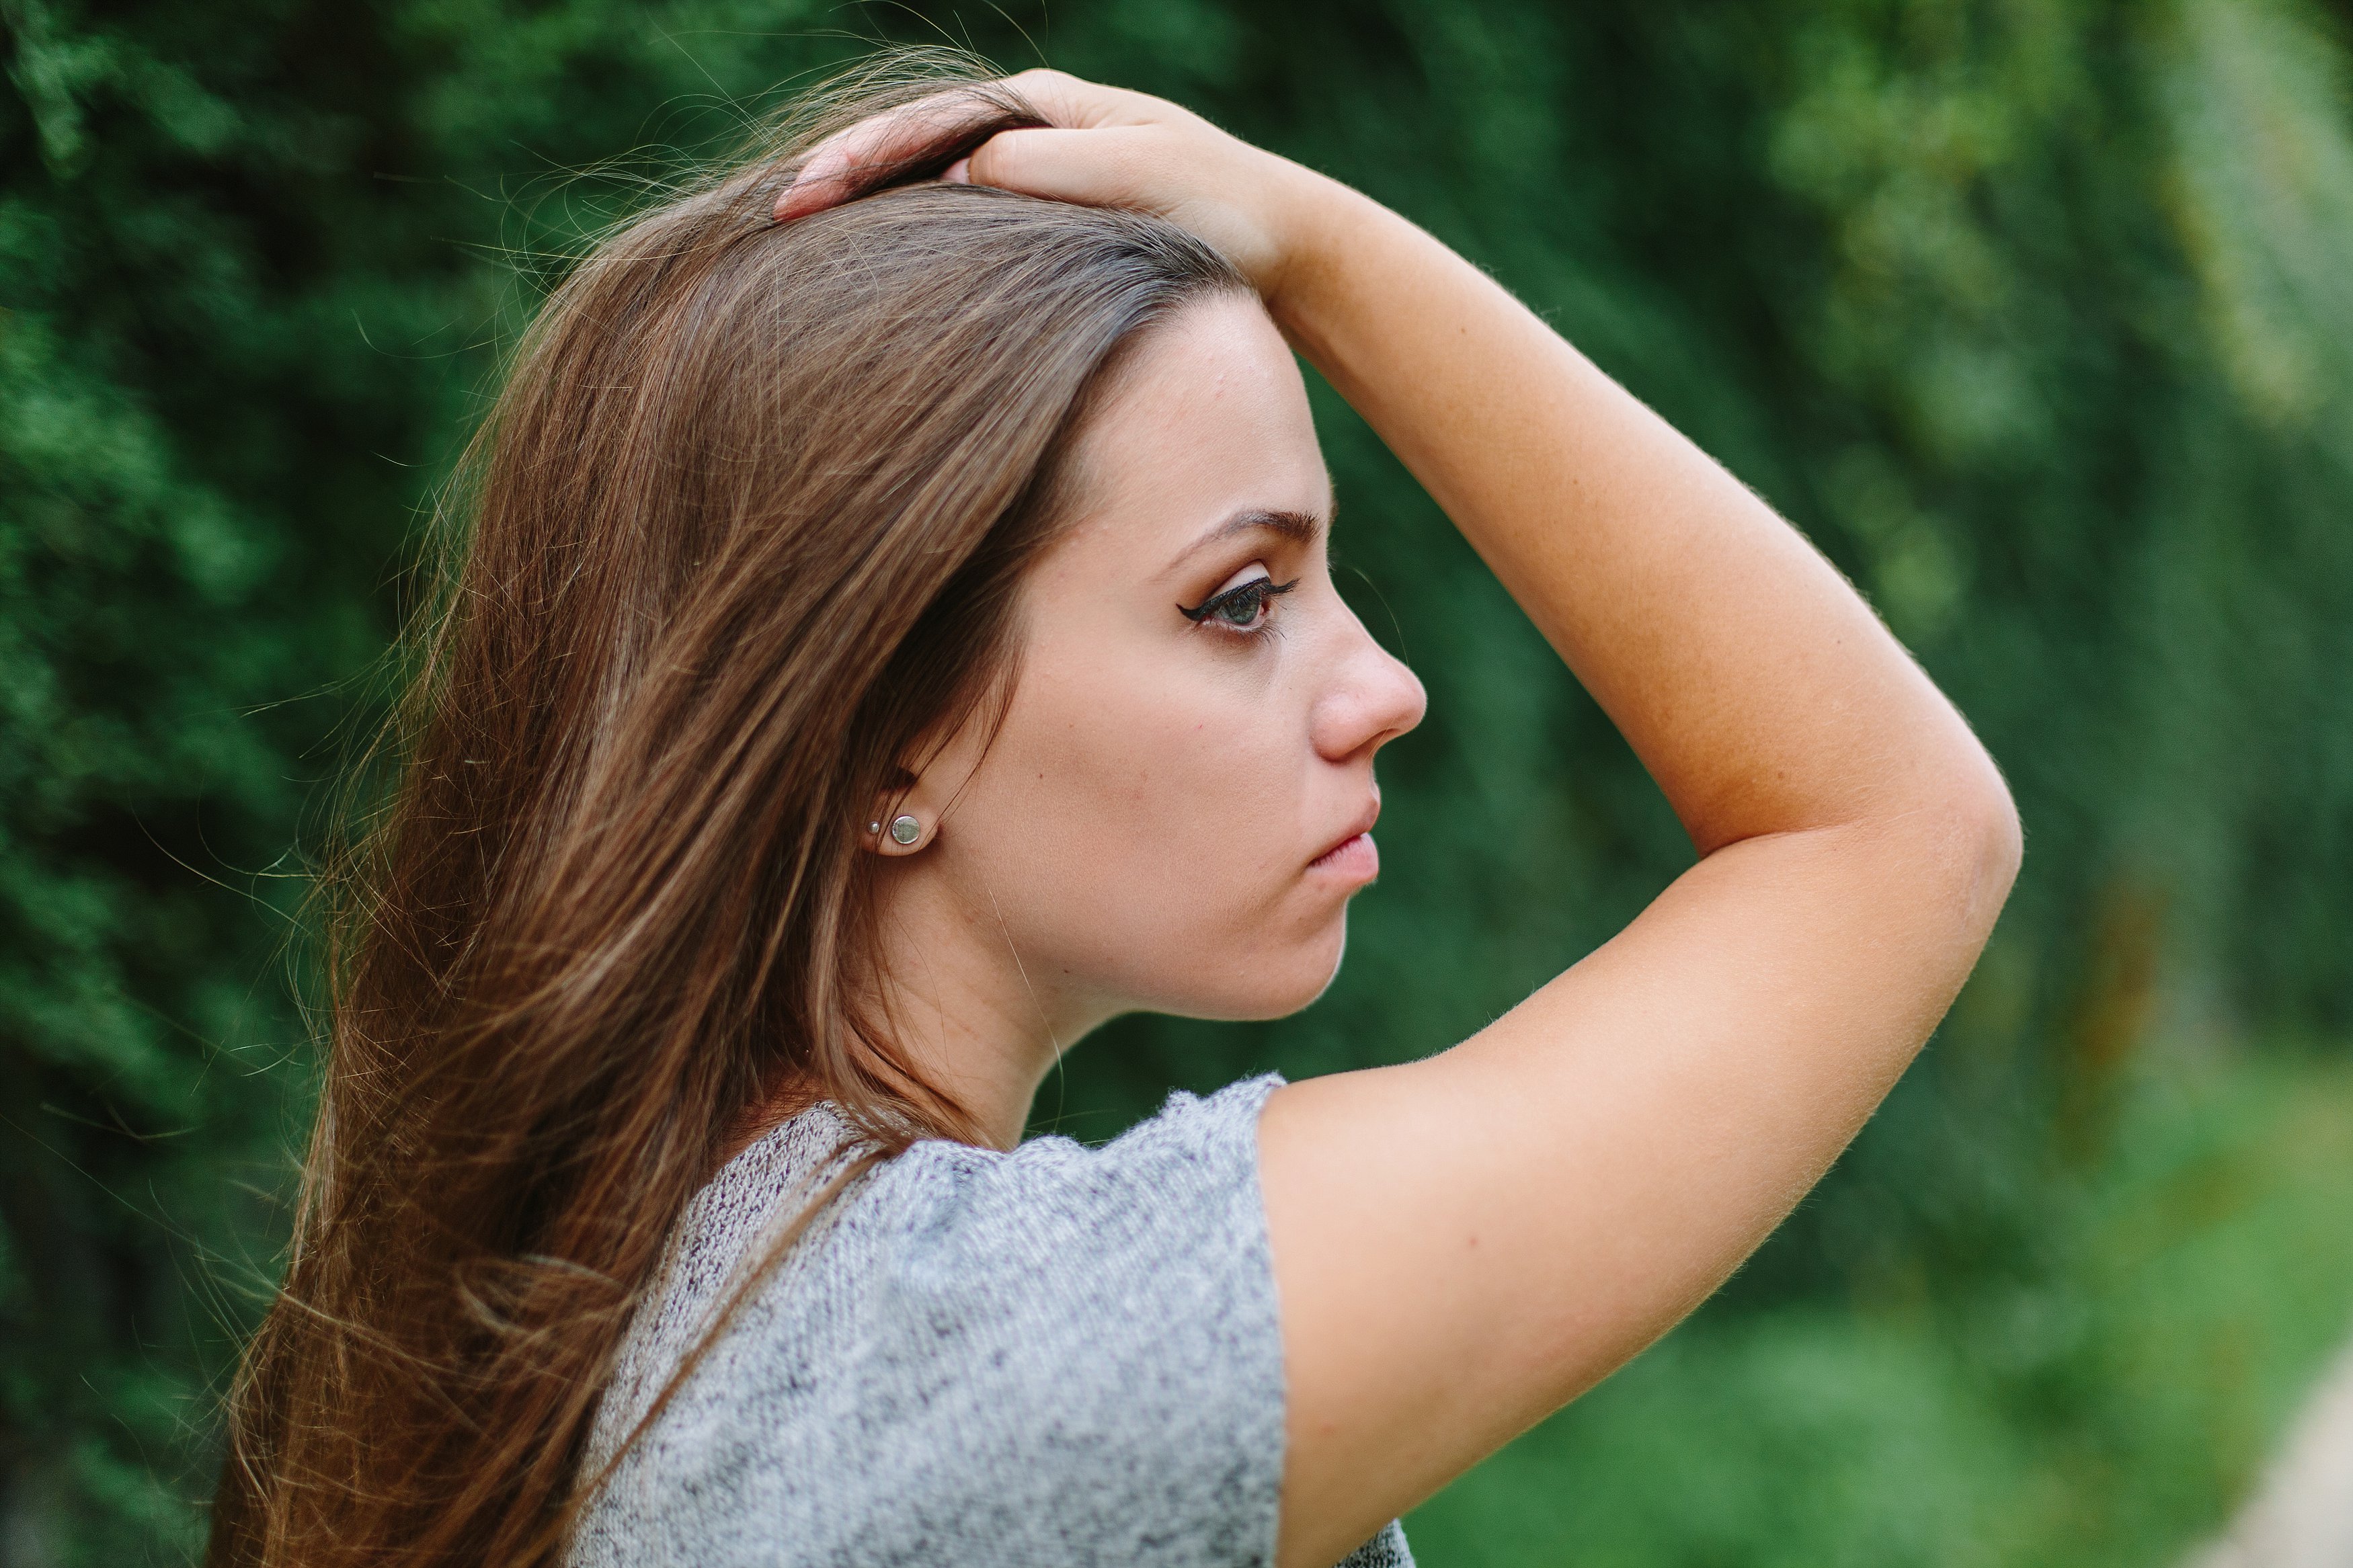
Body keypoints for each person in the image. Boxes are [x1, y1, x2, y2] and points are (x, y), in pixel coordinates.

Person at [208, 57, 2021, 1568]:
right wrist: (1314, 239)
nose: (1380, 686)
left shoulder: (622, 1328)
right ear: (884, 740)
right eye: (1240, 599)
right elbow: (1885, 827)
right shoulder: (988, 1371)